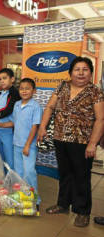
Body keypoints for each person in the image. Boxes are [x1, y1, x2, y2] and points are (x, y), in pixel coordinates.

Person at [37, 57, 104, 227]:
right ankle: (63, 204)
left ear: (91, 73)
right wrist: (42, 127)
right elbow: (50, 107)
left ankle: (82, 211)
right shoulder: (62, 86)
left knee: (81, 177)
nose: (81, 73)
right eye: (77, 69)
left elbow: (101, 119)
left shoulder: (95, 92)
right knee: (65, 174)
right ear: (71, 72)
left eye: (85, 69)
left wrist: (92, 144)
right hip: (60, 138)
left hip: (82, 142)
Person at [0, 78, 42, 203]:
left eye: (27, 88)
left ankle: (34, 200)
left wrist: (27, 145)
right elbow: (13, 122)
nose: (24, 91)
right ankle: (22, 198)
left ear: (34, 91)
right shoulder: (17, 105)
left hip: (29, 146)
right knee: (19, 173)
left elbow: (35, 126)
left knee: (29, 172)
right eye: (21, 88)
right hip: (16, 144)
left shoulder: (35, 106)